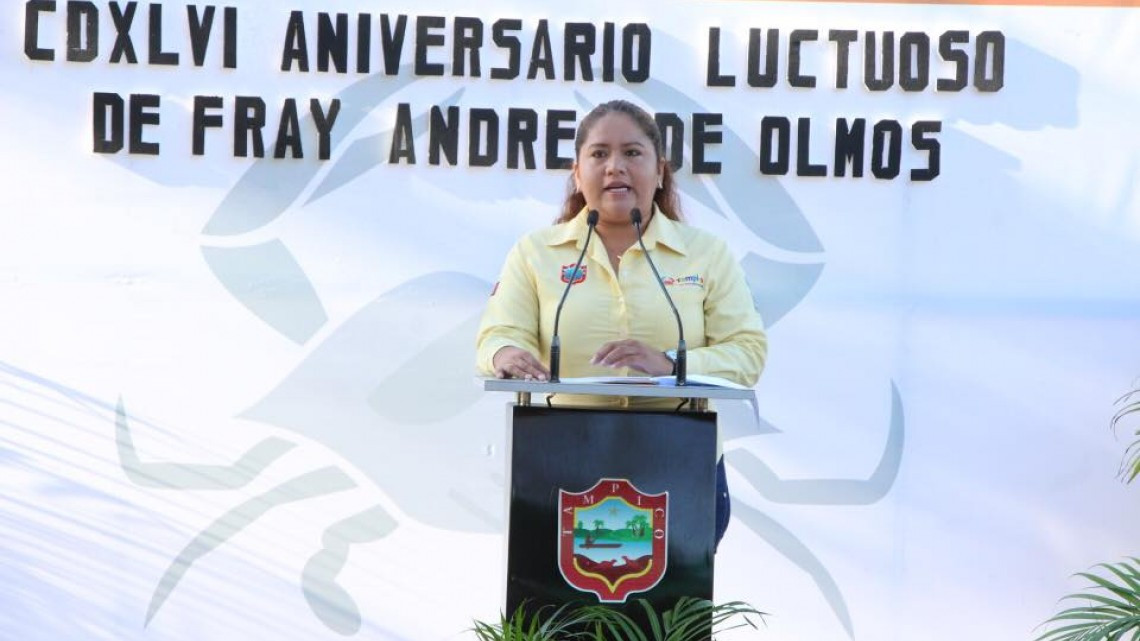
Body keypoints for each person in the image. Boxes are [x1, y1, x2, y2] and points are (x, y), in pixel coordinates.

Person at [475, 99, 767, 546]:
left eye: (632, 153)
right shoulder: (535, 253)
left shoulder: (706, 254)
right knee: (562, 612)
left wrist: (672, 363)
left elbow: (747, 352)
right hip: (562, 459)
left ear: (660, 170)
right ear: (577, 172)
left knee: (666, 616)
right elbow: (499, 334)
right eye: (599, 154)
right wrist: (506, 353)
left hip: (679, 461)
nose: (615, 167)